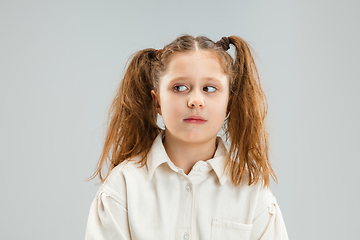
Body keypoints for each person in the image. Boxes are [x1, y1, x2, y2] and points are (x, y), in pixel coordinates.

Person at [84, 35, 289, 240]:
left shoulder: (252, 193)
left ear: (229, 103)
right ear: (157, 102)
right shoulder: (123, 187)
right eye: (179, 88)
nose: (195, 101)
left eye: (209, 88)